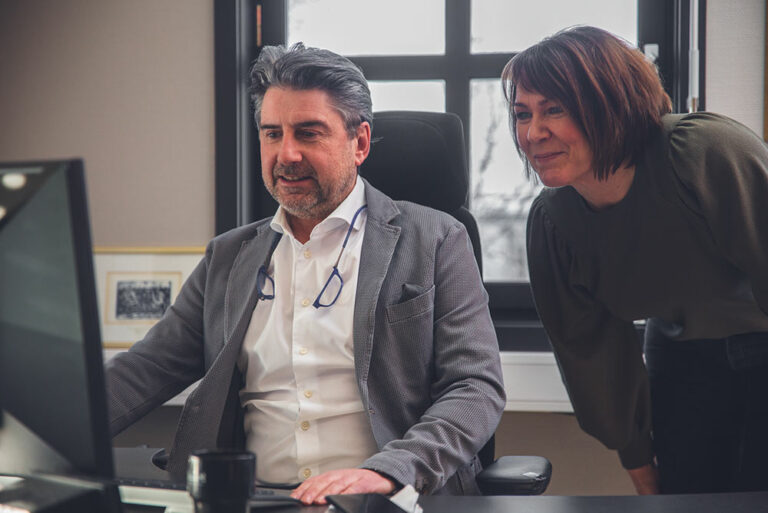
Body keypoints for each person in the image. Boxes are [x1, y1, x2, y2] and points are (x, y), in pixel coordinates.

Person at [105, 43, 505, 505]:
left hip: (388, 502)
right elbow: (145, 369)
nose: (286, 153)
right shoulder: (229, 256)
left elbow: (475, 387)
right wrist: (42, 428)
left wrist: (389, 471)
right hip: (255, 501)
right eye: (271, 133)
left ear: (360, 143)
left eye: (308, 133)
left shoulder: (435, 239)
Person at [501, 26, 768, 495]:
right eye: (523, 114)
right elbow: (591, 354)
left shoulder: (703, 151)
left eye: (554, 109)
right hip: (683, 358)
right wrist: (641, 464)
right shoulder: (553, 224)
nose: (532, 132)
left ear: (609, 103)